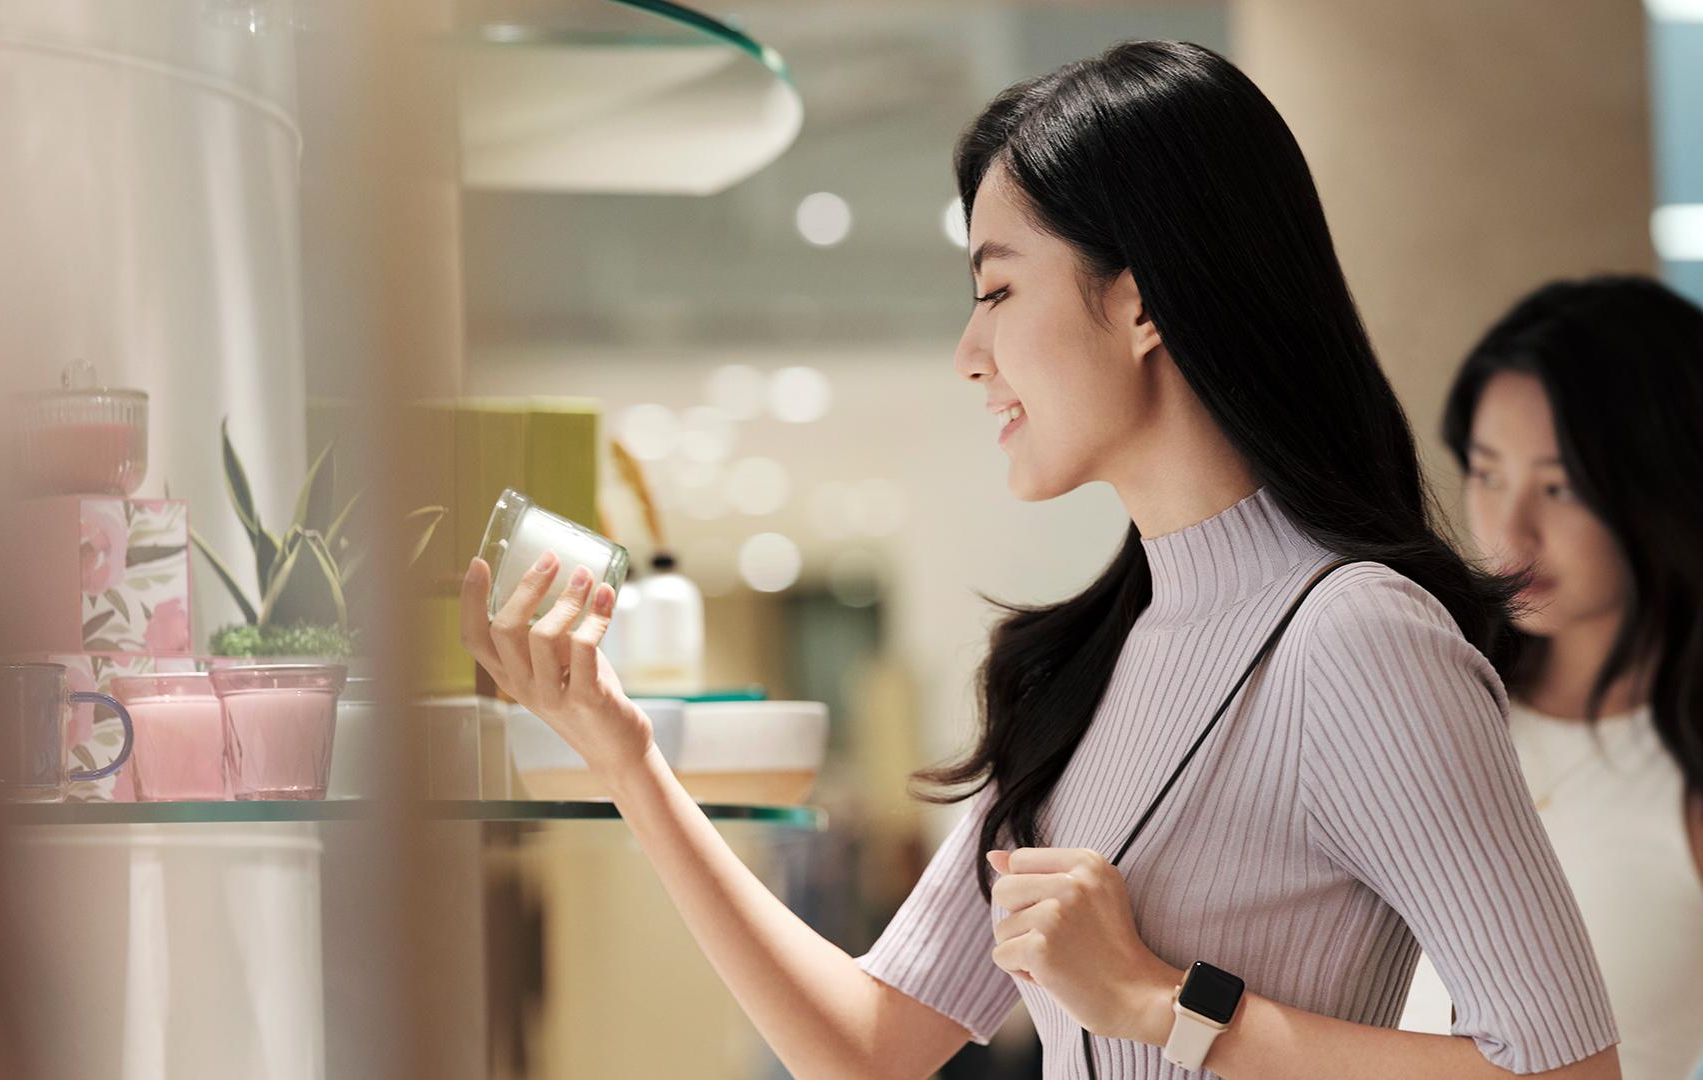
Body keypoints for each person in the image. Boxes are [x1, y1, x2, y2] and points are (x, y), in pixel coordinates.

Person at [461, 41, 1621, 1079]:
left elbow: (1571, 1073)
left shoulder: (1360, 639)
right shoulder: (1079, 669)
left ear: (1143, 303)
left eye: (999, 289)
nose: (970, 352)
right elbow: (867, 1050)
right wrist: (627, 762)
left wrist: (1163, 1003)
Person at [1400, 276, 1703, 1077]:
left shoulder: (1681, 781)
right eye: (1488, 473)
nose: (1510, 529)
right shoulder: (1428, 692)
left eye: (1560, 486)